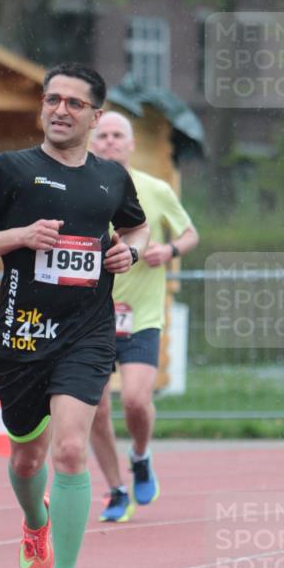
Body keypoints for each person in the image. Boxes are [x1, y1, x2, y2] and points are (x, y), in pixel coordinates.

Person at [0, 64, 149, 568]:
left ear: (94, 115)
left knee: (68, 451)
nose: (60, 110)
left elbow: (136, 230)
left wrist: (129, 254)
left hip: (87, 334)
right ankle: (35, 523)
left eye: (73, 103)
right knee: (26, 457)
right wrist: (19, 235)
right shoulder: (10, 170)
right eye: (51, 100)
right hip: (22, 335)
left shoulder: (112, 178)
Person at [89, 111, 199, 522]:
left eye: (119, 135)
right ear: (91, 142)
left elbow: (189, 233)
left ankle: (140, 455)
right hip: (91, 318)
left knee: (135, 400)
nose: (110, 142)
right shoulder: (80, 190)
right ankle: (117, 490)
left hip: (141, 314)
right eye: (103, 135)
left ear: (131, 144)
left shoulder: (155, 189)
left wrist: (168, 251)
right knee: (95, 410)